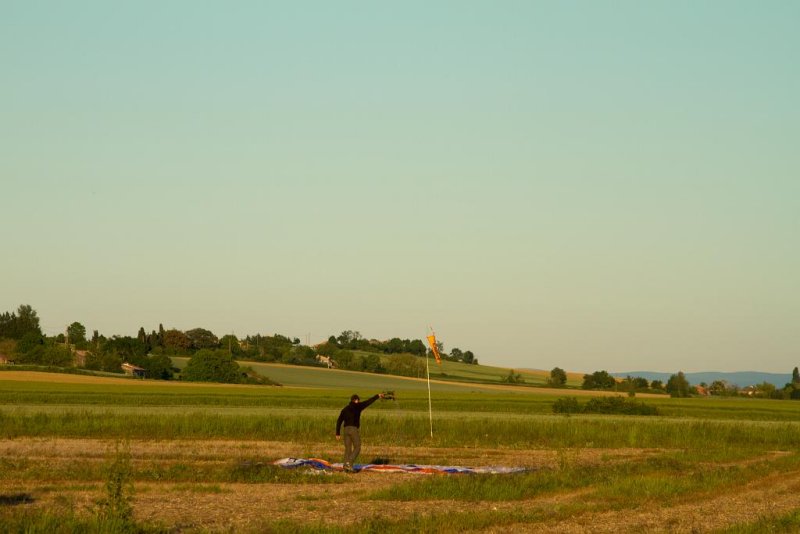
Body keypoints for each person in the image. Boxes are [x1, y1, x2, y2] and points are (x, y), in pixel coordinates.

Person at [335, 392, 384, 471]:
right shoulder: (358, 406)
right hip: (353, 429)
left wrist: (337, 433)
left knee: (348, 449)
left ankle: (345, 467)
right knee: (357, 447)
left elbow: (339, 420)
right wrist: (377, 396)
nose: (358, 401)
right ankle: (349, 462)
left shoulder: (345, 409)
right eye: (358, 400)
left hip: (345, 430)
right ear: (356, 400)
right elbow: (369, 402)